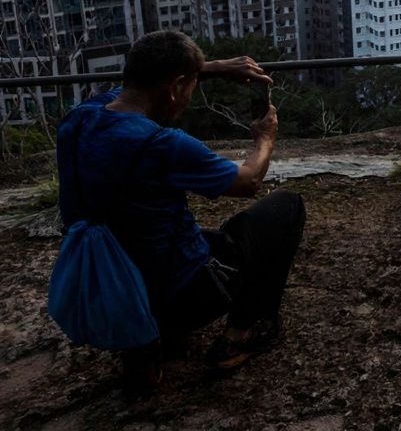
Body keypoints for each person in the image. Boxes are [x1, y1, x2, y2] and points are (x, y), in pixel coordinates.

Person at [55, 30, 306, 389]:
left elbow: (143, 85)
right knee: (286, 207)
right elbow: (249, 181)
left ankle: (143, 346)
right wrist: (264, 140)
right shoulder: (161, 144)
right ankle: (241, 335)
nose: (189, 96)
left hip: (104, 286)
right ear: (175, 87)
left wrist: (210, 68)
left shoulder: (79, 119)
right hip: (179, 297)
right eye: (188, 87)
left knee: (145, 234)